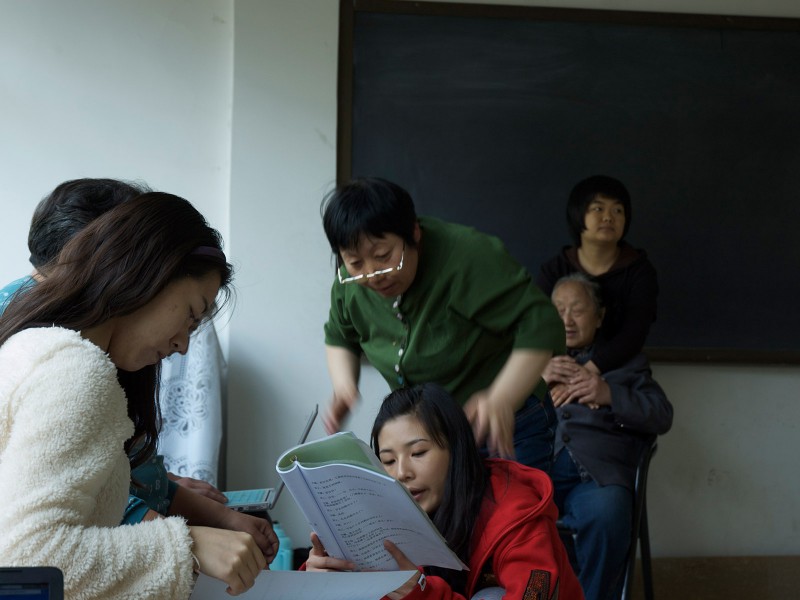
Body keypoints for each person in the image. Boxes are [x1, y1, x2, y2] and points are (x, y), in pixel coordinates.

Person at [0, 192, 271, 599]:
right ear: (146, 272)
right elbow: (28, 560)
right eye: (191, 315)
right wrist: (189, 546)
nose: (182, 345)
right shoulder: (73, 370)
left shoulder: (39, 346)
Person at [322, 177, 564, 472]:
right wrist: (345, 386)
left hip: (506, 422)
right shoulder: (351, 282)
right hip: (430, 433)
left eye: (383, 257)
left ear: (413, 232)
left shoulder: (466, 256)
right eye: (355, 264)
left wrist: (502, 396)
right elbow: (339, 335)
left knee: (513, 515)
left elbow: (541, 324)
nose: (372, 275)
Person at [306, 383, 584, 600]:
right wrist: (321, 574)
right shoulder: (379, 514)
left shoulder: (515, 519)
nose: (402, 472)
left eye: (418, 452)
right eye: (388, 461)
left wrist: (422, 592)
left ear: (456, 450)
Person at [542, 273, 673, 600]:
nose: (567, 321)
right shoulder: (529, 363)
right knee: (507, 507)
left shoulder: (626, 364)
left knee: (609, 511)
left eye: (578, 310)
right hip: (539, 474)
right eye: (558, 311)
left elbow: (661, 413)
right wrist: (534, 378)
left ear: (599, 317)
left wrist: (609, 393)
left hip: (596, 478)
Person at [536, 175, 658, 404]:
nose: (608, 217)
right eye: (598, 208)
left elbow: (635, 332)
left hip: (619, 374)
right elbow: (535, 326)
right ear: (578, 214)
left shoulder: (639, 271)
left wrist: (587, 372)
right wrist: (550, 368)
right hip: (558, 371)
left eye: (618, 211)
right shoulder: (554, 269)